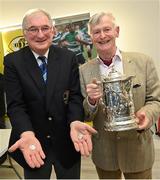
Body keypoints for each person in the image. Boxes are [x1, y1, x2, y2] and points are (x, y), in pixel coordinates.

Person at [4, 8, 96, 179]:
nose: (40, 34)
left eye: (45, 28)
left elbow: (75, 97)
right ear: (24, 33)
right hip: (33, 145)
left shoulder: (68, 58)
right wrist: (26, 134)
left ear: (53, 30)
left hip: (68, 141)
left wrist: (75, 120)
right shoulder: (12, 62)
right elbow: (16, 105)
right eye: (33, 29)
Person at [79, 12, 160, 179]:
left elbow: (155, 100)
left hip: (138, 148)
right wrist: (92, 100)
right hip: (105, 152)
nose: (102, 36)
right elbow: (85, 113)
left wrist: (147, 114)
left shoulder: (143, 62)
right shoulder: (83, 71)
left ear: (117, 31)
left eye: (107, 29)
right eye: (96, 32)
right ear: (91, 37)